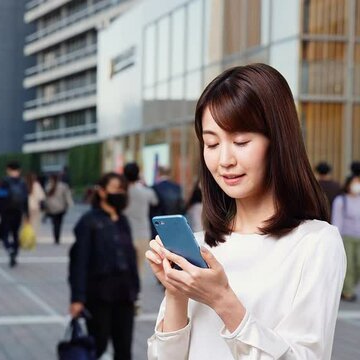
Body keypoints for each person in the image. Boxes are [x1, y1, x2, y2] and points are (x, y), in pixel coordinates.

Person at [145, 64, 346, 359]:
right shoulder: (199, 245)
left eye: (240, 142)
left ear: (277, 141)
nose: (224, 159)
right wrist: (176, 293)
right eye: (212, 143)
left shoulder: (316, 243)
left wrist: (223, 301)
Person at [69, 172, 139, 360]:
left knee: (124, 350)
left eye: (123, 189)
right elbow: (79, 262)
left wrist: (135, 289)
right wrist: (77, 298)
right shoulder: (88, 222)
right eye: (116, 188)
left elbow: (130, 257)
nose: (121, 193)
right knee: (97, 346)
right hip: (99, 295)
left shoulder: (123, 220)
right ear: (101, 191)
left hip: (124, 295)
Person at [122, 162, 159, 286]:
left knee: (124, 266)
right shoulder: (146, 192)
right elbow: (155, 201)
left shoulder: (121, 192)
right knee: (139, 267)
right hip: (143, 232)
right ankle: (135, 296)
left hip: (124, 232)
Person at [0, 161, 29, 267]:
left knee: (5, 234)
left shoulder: (4, 181)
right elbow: (25, 199)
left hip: (6, 212)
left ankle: (9, 250)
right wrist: (26, 213)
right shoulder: (23, 182)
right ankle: (15, 252)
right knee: (15, 234)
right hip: (18, 211)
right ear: (19, 170)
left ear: (8, 170)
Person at [332, 172, 360, 302]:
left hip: (358, 236)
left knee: (358, 264)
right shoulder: (341, 200)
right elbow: (337, 220)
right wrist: (336, 238)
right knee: (348, 265)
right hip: (346, 237)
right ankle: (347, 291)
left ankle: (349, 286)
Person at [150, 166, 184, 237]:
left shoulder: (155, 187)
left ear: (159, 173)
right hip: (174, 223)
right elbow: (180, 206)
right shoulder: (177, 187)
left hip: (160, 224)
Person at [44, 174, 74, 244]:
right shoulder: (63, 186)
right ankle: (57, 237)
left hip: (51, 208)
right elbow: (67, 196)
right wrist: (70, 204)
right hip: (61, 207)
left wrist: (45, 207)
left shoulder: (48, 186)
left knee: (54, 223)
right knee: (59, 223)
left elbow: (46, 198)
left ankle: (55, 236)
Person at [25, 172, 46, 236]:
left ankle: (25, 235)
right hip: (35, 207)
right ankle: (32, 236)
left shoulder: (23, 184)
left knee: (25, 223)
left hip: (25, 206)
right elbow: (41, 197)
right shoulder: (36, 185)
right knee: (34, 223)